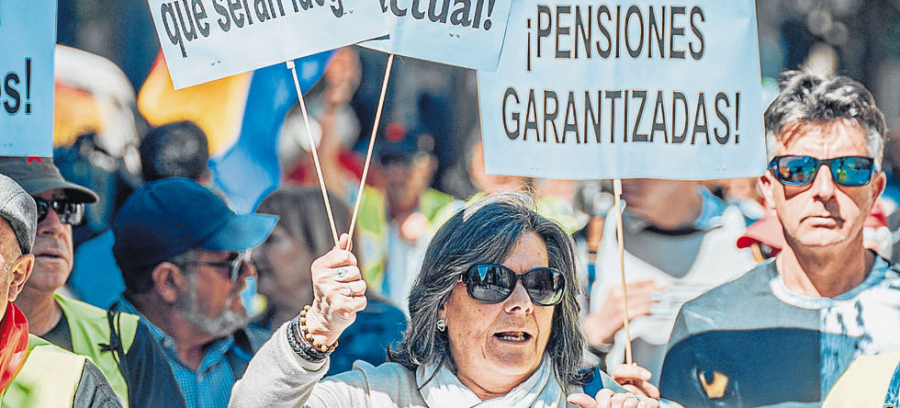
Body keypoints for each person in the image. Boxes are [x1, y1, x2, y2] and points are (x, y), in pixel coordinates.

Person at [230, 194, 662, 408]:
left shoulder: (597, 400)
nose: (521, 303)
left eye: (540, 283)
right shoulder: (376, 397)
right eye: (491, 280)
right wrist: (315, 331)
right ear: (440, 303)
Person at [660, 70, 900, 407]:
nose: (824, 190)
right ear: (768, 188)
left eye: (849, 168)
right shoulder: (707, 326)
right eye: (798, 169)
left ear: (875, 190)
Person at [0, 156, 185, 408]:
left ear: (20, 272)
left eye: (65, 209)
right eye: (33, 209)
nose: (55, 225)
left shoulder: (124, 338)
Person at [109, 178, 277, 408]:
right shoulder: (94, 364)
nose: (248, 272)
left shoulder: (264, 355)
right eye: (231, 262)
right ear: (168, 281)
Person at [586, 178, 755, 379]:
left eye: (643, 160)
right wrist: (594, 336)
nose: (627, 177)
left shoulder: (747, 228)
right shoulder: (607, 226)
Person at [254, 185, 406, 374]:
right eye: (256, 241)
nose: (254, 254)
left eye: (271, 240)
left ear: (320, 248)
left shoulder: (383, 329)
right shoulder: (242, 337)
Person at [0, 172, 121, 407]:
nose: (55, 227)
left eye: (65, 209)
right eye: (41, 208)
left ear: (16, 277)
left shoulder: (74, 386)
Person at [355, 123, 459, 309]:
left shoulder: (452, 211)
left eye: (406, 161)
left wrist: (425, 239)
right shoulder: (359, 205)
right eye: (387, 161)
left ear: (428, 166)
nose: (395, 172)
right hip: (374, 325)